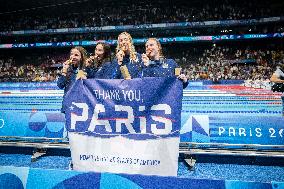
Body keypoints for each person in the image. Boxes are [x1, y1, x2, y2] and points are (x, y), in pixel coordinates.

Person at [57, 46, 88, 113]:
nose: (73, 57)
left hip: (82, 107)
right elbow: (60, 85)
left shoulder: (87, 69)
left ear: (82, 58)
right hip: (68, 106)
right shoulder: (67, 69)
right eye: (71, 54)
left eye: (76, 55)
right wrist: (64, 70)